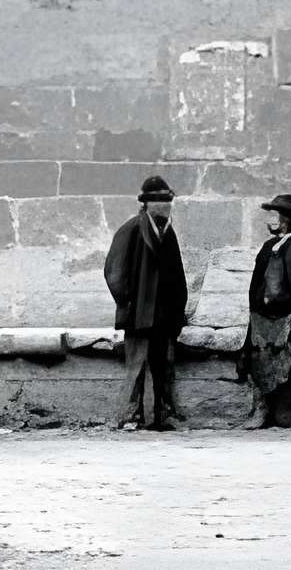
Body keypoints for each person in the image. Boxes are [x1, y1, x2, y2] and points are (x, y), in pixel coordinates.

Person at [102, 174, 189, 430]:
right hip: (139, 312)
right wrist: (127, 303)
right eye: (158, 201)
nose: (164, 206)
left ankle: (159, 418)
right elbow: (114, 272)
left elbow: (177, 273)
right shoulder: (131, 229)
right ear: (146, 204)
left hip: (164, 316)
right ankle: (130, 415)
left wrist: (178, 309)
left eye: (167, 201)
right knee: (136, 366)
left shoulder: (168, 233)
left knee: (162, 367)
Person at [236, 193, 291, 428]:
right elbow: (256, 285)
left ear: (286, 219)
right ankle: (261, 411)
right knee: (257, 364)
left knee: (284, 367)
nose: (270, 220)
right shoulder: (267, 248)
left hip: (289, 320)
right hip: (262, 321)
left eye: (274, 215)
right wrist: (254, 313)